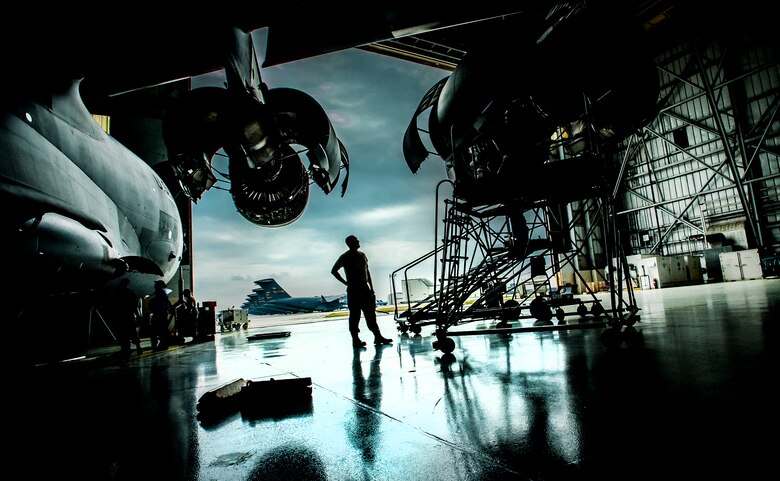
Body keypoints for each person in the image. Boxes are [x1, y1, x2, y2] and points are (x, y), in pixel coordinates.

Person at [331, 235, 393, 348]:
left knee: (371, 314)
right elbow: (334, 271)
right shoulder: (345, 257)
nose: (358, 241)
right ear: (350, 243)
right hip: (354, 290)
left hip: (365, 289)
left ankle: (377, 336)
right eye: (356, 240)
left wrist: (372, 288)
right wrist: (346, 283)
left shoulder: (362, 255)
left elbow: (367, 271)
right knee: (355, 316)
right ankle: (355, 339)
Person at [114, 278, 142, 355]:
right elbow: (135, 306)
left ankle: (126, 349)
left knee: (123, 334)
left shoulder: (118, 293)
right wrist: (138, 315)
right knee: (133, 333)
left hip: (122, 316)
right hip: (130, 316)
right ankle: (138, 348)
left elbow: (115, 305)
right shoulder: (131, 293)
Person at [149, 280, 173, 351]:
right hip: (162, 315)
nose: (154, 286)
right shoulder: (163, 294)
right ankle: (163, 344)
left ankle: (159, 344)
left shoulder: (160, 294)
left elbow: (159, 305)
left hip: (159, 315)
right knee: (162, 331)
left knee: (156, 331)